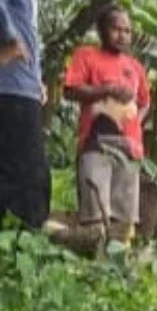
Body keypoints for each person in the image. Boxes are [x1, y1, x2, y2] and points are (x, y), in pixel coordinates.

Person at [64, 5, 151, 247]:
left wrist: (135, 124)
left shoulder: (135, 66)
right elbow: (70, 90)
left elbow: (145, 101)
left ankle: (118, 264)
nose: (122, 35)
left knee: (124, 216)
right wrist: (107, 90)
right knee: (94, 210)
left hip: (129, 147)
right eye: (116, 29)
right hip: (95, 142)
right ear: (102, 30)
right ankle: (93, 259)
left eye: (127, 31)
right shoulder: (86, 55)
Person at [0, 0, 50, 231]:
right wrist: (8, 37)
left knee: (26, 170)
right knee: (25, 174)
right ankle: (20, 240)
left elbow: (29, 30)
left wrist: (36, 78)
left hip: (22, 84)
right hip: (10, 86)